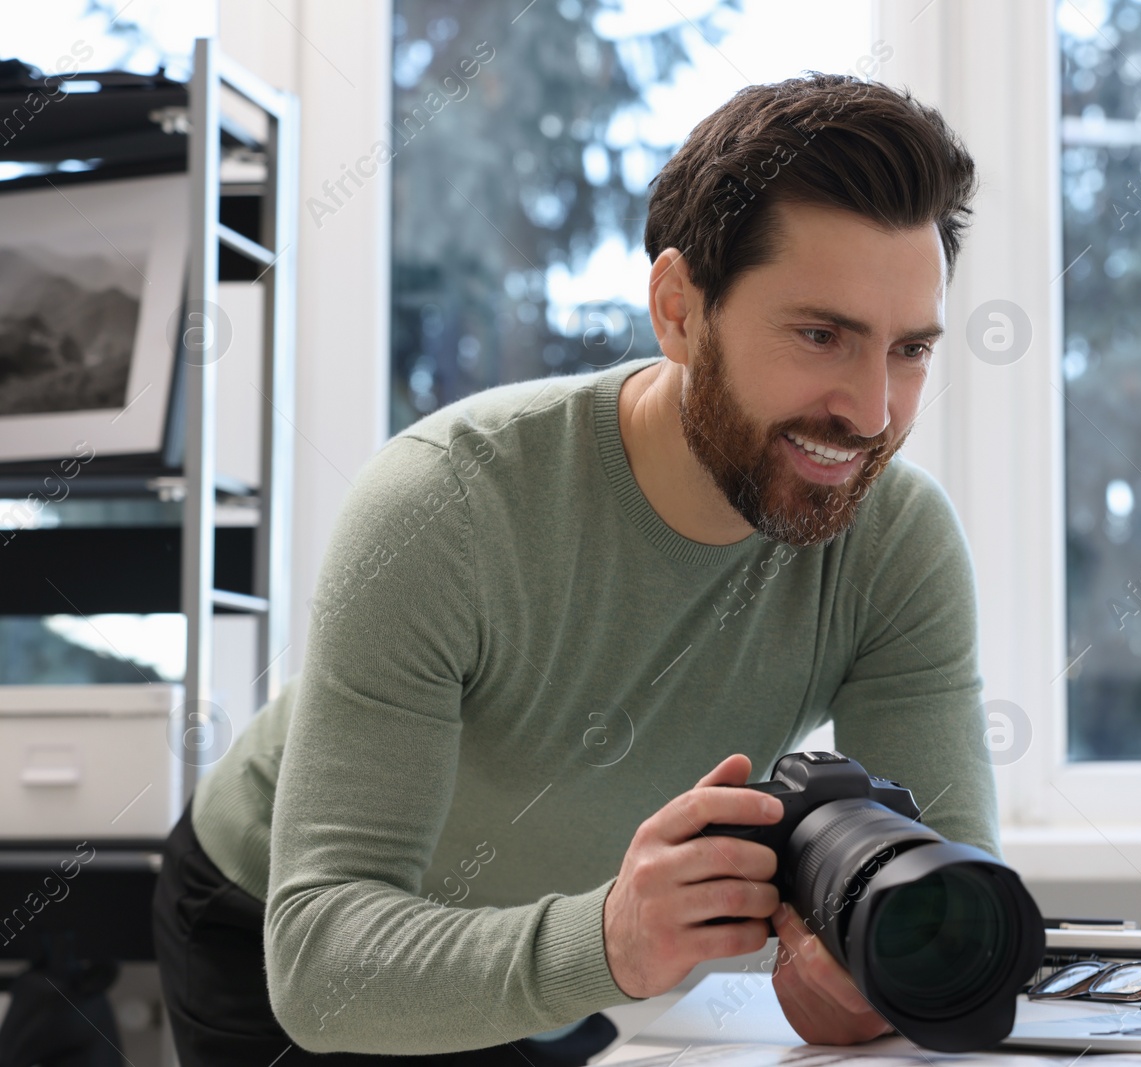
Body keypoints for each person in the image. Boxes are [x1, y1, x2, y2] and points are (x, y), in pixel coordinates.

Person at [151, 70, 1001, 1062]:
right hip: (290, 931)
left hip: (569, 945)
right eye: (821, 334)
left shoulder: (899, 543)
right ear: (679, 309)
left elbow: (941, 924)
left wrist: (863, 968)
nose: (869, 411)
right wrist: (606, 938)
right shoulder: (443, 506)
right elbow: (323, 967)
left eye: (909, 349)